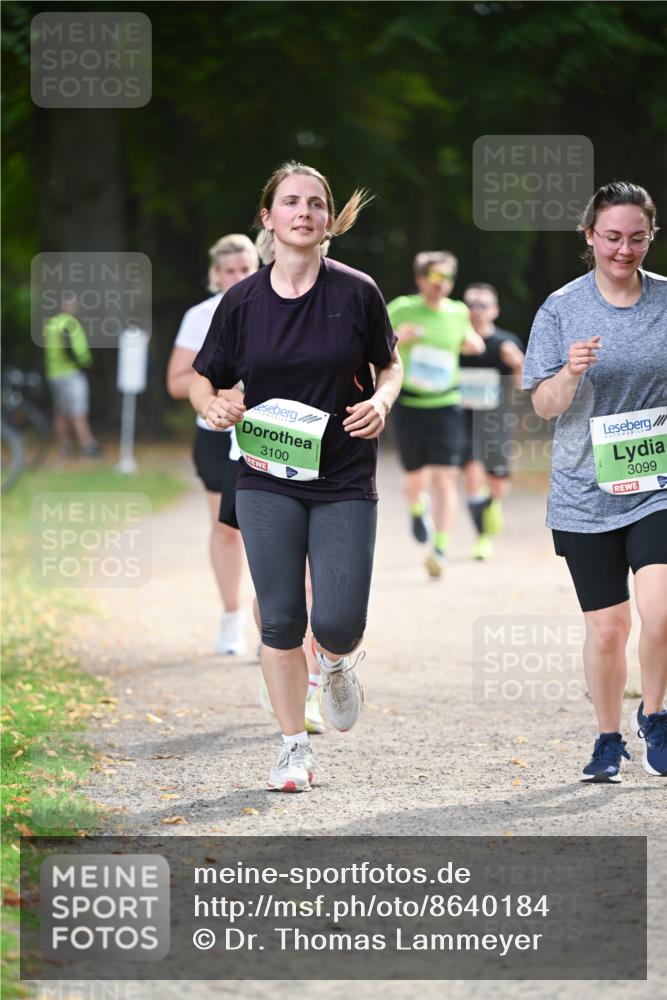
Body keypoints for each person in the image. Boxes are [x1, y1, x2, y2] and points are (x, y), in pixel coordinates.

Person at [190, 161, 403, 792]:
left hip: (341, 474)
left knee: (338, 620)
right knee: (281, 619)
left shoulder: (357, 291)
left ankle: (335, 664)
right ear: (269, 218)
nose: (303, 211)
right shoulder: (242, 299)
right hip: (265, 475)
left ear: (329, 219)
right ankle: (291, 748)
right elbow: (208, 375)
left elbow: (389, 366)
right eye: (290, 202)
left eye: (316, 203)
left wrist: (383, 401)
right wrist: (213, 403)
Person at [523, 181, 667, 782]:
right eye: (612, 237)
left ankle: (656, 716)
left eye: (636, 237)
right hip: (586, 490)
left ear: (650, 237)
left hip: (658, 481)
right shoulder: (562, 308)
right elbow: (544, 406)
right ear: (590, 237)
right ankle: (609, 738)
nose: (624, 249)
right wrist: (569, 372)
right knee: (609, 629)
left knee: (661, 613)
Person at [167, 234, 259, 655]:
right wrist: (222, 394)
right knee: (225, 530)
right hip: (216, 436)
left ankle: (274, 627)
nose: (238, 277)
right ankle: (230, 617)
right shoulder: (200, 316)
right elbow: (177, 381)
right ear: (215, 275)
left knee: (271, 530)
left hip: (269, 436)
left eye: (245, 269)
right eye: (230, 271)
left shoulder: (278, 307)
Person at [387, 252, 484, 578]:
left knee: (445, 479)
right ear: (420, 279)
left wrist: (473, 343)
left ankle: (440, 549)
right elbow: (375, 346)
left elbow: (469, 342)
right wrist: (398, 337)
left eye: (446, 278)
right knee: (414, 480)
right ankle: (417, 508)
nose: (440, 284)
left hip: (446, 404)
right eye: (434, 277)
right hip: (410, 405)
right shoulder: (401, 308)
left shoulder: (458, 312)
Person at [460, 283, 525, 560]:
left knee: (498, 478)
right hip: (461, 418)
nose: (476, 311)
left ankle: (494, 503)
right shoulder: (457, 340)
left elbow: (524, 386)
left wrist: (518, 364)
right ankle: (482, 537)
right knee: (473, 472)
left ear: (495, 310)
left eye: (482, 305)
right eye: (471, 305)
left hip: (495, 419)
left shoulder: (504, 343)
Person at [44, 292, 101, 457]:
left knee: (61, 411)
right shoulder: (69, 324)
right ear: (66, 305)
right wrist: (82, 363)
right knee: (78, 410)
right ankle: (88, 444)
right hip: (71, 373)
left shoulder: (52, 324)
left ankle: (64, 445)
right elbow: (70, 347)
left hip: (54, 373)